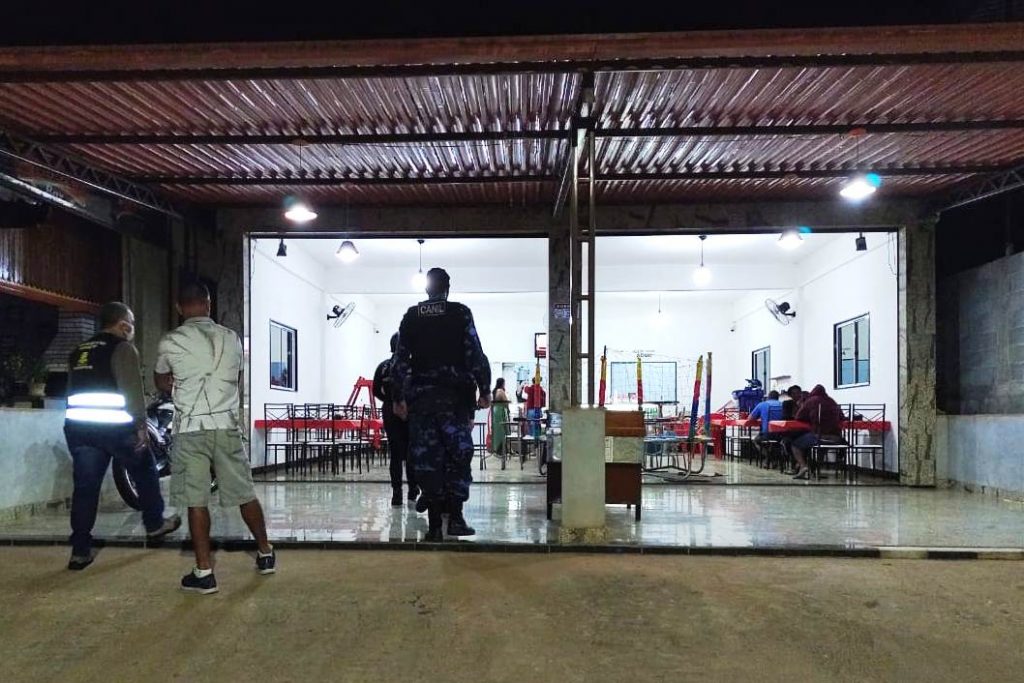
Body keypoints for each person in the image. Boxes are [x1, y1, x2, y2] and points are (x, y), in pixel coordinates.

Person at [154, 281, 275, 595]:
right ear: (208, 304)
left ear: (179, 308)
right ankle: (265, 553)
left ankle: (204, 572)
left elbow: (161, 380)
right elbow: (236, 378)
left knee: (196, 500)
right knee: (244, 492)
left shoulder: (170, 341)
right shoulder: (232, 338)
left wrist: (180, 384)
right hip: (225, 425)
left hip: (190, 428)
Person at [63, 302, 180, 570]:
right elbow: (131, 390)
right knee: (146, 470)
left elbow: (70, 391)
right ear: (123, 324)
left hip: (80, 430)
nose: (133, 328)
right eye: (132, 323)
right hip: (115, 429)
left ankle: (80, 551)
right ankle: (154, 524)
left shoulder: (78, 351)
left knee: (85, 489)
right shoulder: (122, 348)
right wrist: (141, 425)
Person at [392, 268, 491, 542]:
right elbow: (475, 353)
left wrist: (398, 398)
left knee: (427, 460)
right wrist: (484, 389)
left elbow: (399, 360)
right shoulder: (460, 313)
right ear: (447, 289)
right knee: (458, 457)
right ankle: (456, 519)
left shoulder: (412, 316)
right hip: (455, 401)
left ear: (427, 289)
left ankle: (435, 525)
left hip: (422, 402)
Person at [373, 333, 419, 507]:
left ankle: (397, 494)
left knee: (395, 454)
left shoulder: (383, 366)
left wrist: (389, 401)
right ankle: (413, 490)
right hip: (411, 411)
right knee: (411, 452)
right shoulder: (415, 366)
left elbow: (376, 390)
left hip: (390, 410)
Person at [790, 384, 846, 480]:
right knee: (822, 447)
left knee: (795, 445)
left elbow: (798, 417)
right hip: (836, 438)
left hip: (819, 437)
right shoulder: (832, 401)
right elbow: (842, 417)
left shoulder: (811, 401)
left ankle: (803, 466)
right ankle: (816, 468)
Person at [748, 390, 784, 460]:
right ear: (778, 397)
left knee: (756, 441)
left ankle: (768, 456)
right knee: (776, 442)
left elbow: (750, 418)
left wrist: (761, 417)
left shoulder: (762, 404)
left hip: (767, 434)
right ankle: (776, 457)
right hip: (781, 434)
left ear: (768, 397)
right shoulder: (783, 405)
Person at [490, 378, 511, 456]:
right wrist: (508, 410)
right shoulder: (501, 391)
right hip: (500, 411)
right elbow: (506, 402)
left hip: (495, 411)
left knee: (497, 431)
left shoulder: (494, 391)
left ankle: (497, 449)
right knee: (502, 431)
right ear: (502, 383)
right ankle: (502, 450)